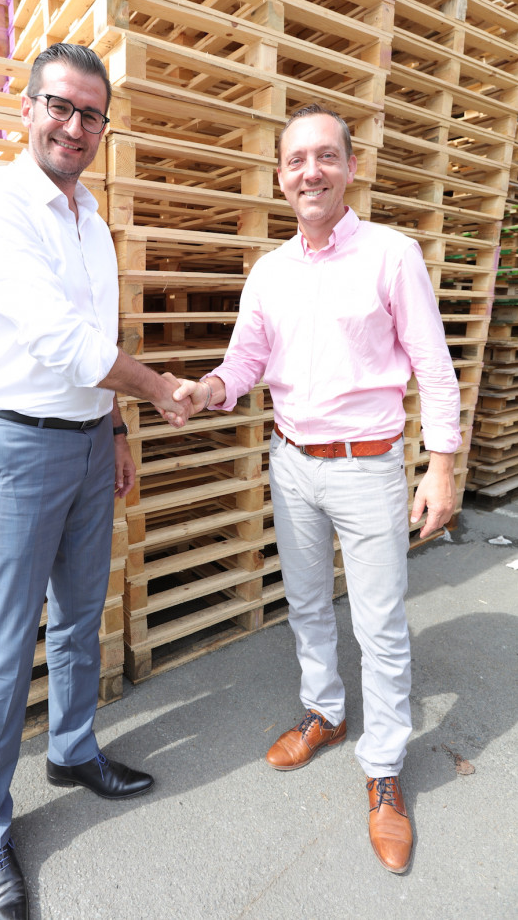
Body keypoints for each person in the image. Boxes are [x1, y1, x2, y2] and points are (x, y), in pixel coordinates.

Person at [169, 104, 460, 875]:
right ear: (280, 177)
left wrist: (443, 462)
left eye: (326, 156)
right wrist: (208, 390)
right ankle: (325, 712)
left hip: (368, 467)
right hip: (292, 461)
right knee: (304, 603)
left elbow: (433, 365)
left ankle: (385, 770)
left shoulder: (392, 255)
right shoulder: (269, 272)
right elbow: (245, 363)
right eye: (296, 160)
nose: (311, 172)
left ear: (352, 168)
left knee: (381, 625)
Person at [0, 43, 190, 920]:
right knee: (7, 642)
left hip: (89, 443)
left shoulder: (93, 219)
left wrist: (120, 425)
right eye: (62, 105)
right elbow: (61, 340)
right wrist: (161, 389)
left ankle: (73, 748)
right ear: (29, 108)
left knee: (82, 615)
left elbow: (97, 331)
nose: (75, 126)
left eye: (92, 114)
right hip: (14, 444)